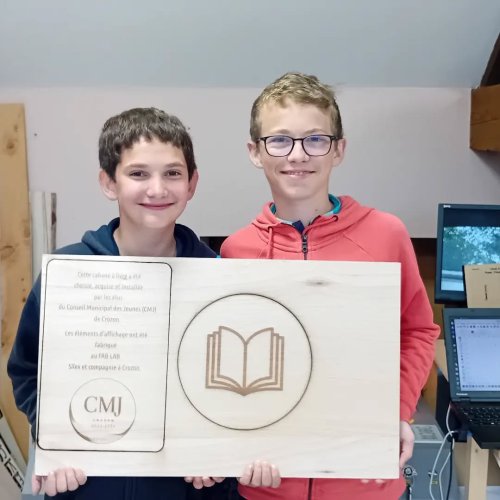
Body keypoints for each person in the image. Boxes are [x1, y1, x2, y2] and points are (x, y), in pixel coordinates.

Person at [220, 72, 440, 500]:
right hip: (268, 486)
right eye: (279, 140)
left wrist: (396, 410)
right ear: (255, 152)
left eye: (315, 139)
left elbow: (417, 330)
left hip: (364, 481)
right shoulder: (236, 250)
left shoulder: (386, 234)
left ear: (338, 149)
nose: (298, 155)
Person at [8, 107, 223, 499]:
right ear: (109, 182)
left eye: (172, 173)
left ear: (192, 183)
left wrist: (216, 449)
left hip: (187, 489)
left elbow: (229, 390)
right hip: (89, 485)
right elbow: (27, 370)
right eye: (138, 173)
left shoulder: (221, 278)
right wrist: (55, 439)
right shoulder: (68, 274)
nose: (157, 189)